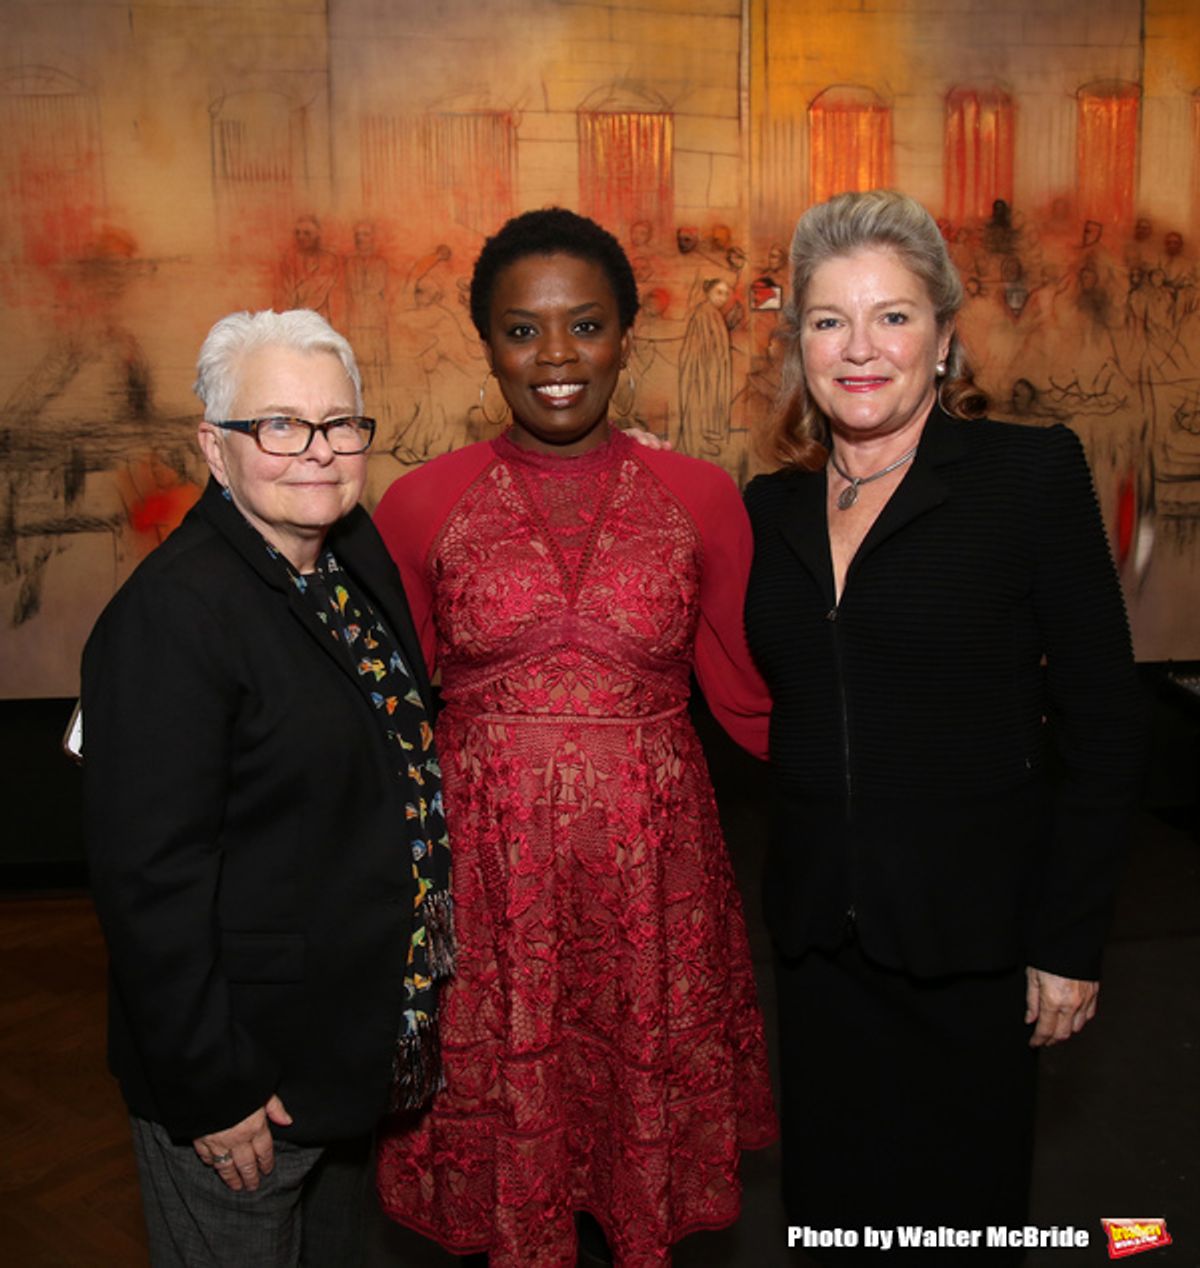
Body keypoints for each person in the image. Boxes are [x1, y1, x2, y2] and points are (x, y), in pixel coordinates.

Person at [743, 190, 1144, 1260]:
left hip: (974, 954)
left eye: (894, 315)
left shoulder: (1026, 476)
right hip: (822, 951)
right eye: (829, 320)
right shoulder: (767, 508)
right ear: (800, 345)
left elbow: (1107, 724)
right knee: (832, 1225)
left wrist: (1067, 940)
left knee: (955, 1228)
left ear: (945, 335)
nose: (860, 348)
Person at [373, 208, 776, 1267]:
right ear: (488, 344)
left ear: (627, 335)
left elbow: (749, 693)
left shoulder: (703, 497)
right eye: (522, 331)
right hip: (488, 899)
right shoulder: (416, 505)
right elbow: (381, 716)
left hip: (654, 899)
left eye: (585, 325)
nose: (555, 357)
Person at [82, 309, 450, 1266]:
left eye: (340, 424)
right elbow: (149, 883)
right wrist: (213, 1087)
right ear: (214, 445)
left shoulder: (346, 559)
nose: (319, 453)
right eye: (279, 425)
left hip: (346, 1051)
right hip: (249, 1084)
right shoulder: (171, 617)